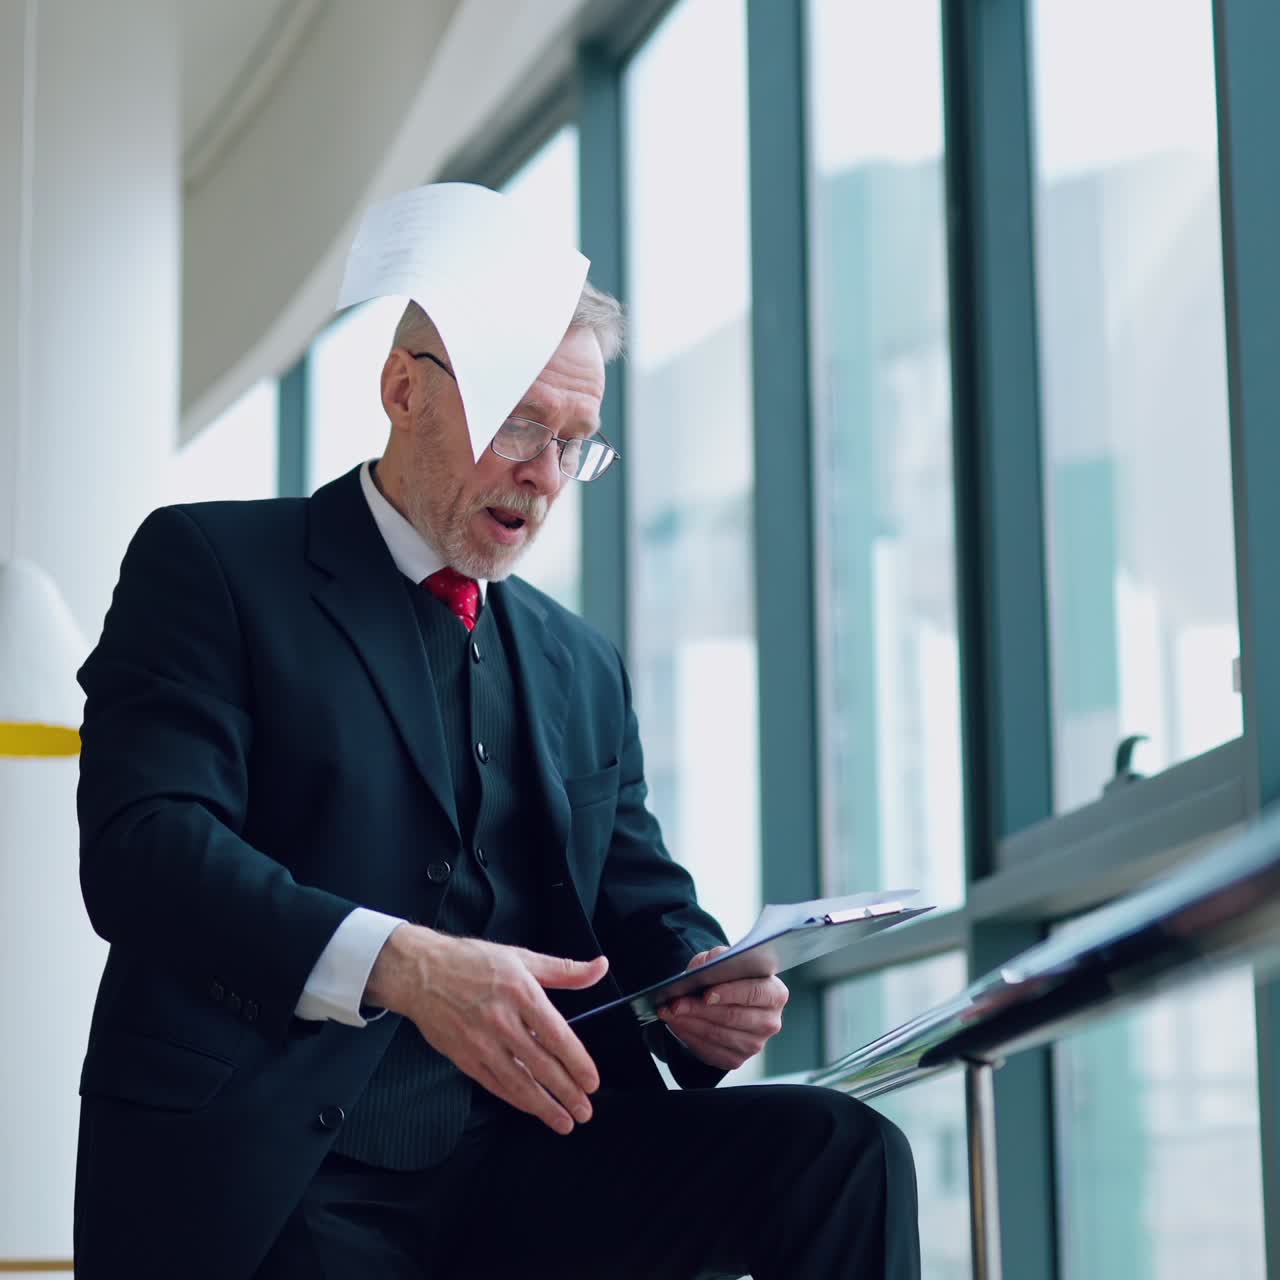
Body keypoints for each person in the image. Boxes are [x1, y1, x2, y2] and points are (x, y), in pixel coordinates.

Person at [73, 277, 920, 1277]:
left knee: (840, 1154)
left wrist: (701, 988)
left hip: (539, 1162)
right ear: (403, 389)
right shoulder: (213, 563)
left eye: (574, 441)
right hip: (284, 1169)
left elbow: (638, 900)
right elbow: (146, 847)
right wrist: (407, 966)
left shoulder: (580, 661)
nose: (546, 474)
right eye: (521, 423)